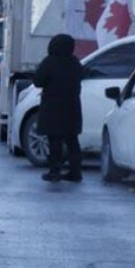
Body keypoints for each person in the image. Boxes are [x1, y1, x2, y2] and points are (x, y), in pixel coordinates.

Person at [35, 33, 83, 183]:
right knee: (72, 140)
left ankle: (54, 171)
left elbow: (38, 81)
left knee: (54, 141)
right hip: (72, 107)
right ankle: (75, 172)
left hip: (53, 108)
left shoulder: (50, 62)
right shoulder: (74, 62)